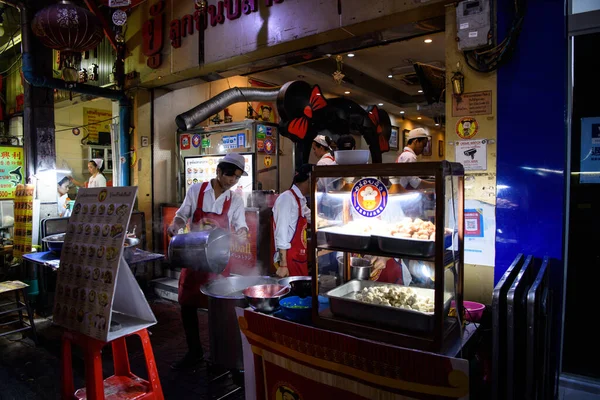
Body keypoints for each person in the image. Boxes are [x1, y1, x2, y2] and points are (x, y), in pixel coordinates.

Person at [167, 153, 248, 370]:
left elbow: (241, 225)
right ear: (219, 171)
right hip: (194, 256)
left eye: (237, 178)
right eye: (230, 176)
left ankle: (220, 355)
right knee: (187, 304)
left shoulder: (235, 200)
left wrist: (241, 232)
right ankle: (194, 352)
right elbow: (182, 214)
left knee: (219, 308)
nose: (233, 181)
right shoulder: (197, 190)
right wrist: (176, 225)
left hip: (219, 260)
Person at [273, 164, 312, 278]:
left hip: (299, 257)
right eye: (316, 180)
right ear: (309, 179)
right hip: (288, 259)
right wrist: (283, 264)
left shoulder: (300, 200)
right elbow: (281, 232)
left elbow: (312, 217)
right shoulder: (286, 199)